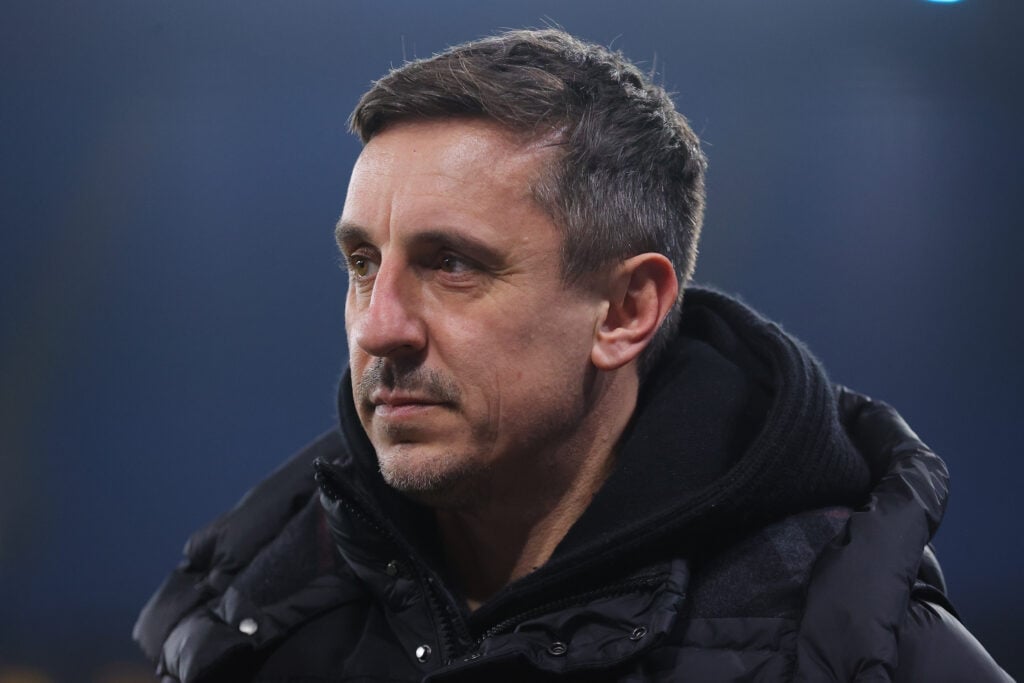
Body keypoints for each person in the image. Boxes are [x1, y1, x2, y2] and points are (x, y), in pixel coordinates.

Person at [134, 29, 1012, 682]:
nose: (379, 327)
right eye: (363, 263)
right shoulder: (251, 615)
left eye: (452, 264)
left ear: (627, 311)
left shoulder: (858, 646)